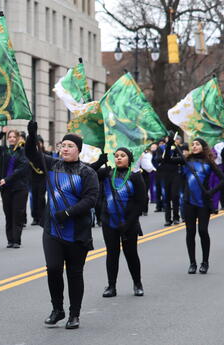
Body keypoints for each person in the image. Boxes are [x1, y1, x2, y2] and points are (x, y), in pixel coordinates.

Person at [26, 121, 99, 329]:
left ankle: (74, 314)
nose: (65, 149)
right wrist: (32, 135)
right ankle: (57, 309)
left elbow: (91, 199)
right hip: (52, 230)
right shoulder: (51, 165)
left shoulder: (87, 173)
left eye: (69, 146)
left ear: (78, 150)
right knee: (54, 269)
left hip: (77, 232)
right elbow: (31, 153)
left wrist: (67, 213)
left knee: (74, 273)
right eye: (62, 145)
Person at [92, 148, 146, 297]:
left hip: (129, 222)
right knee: (112, 254)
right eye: (116, 156)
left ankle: (137, 283)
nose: (119, 158)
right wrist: (99, 162)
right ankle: (111, 286)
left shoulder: (135, 176)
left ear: (129, 159)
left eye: (122, 156)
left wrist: (128, 223)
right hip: (109, 221)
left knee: (131, 253)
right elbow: (87, 173)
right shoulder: (107, 173)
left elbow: (141, 202)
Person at [179, 139, 224, 274]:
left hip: (203, 202)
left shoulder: (209, 162)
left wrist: (210, 192)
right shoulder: (186, 161)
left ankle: (205, 262)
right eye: (192, 144)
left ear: (203, 147)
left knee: (203, 231)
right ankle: (192, 263)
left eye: (197, 144)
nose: (194, 146)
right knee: (190, 232)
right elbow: (165, 160)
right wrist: (171, 143)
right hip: (188, 201)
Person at [0, 127, 29, 248]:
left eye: (14, 137)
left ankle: (17, 240)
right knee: (8, 214)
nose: (12, 139)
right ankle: (10, 240)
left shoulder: (22, 152)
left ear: (18, 139)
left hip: (19, 188)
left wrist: (7, 179)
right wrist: (2, 132)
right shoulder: (4, 151)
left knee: (17, 214)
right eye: (10, 137)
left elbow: (22, 168)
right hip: (6, 188)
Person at [30, 135, 47, 226]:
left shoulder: (46, 153)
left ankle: (42, 216)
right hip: (33, 179)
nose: (38, 144)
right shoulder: (31, 155)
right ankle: (35, 217)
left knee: (41, 198)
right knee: (34, 198)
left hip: (43, 179)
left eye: (39, 142)